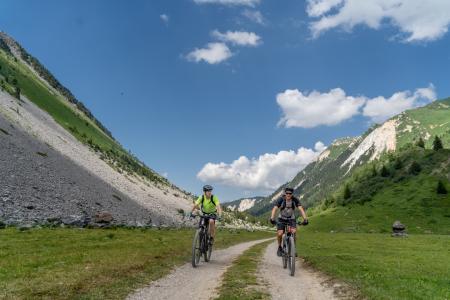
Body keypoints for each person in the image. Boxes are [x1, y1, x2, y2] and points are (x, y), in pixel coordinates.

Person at [270, 187, 308, 257]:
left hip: (291, 219)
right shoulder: (281, 199)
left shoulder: (295, 200)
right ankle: (279, 247)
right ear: (285, 193)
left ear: (292, 194)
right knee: (280, 233)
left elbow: (301, 209)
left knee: (293, 231)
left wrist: (305, 219)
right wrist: (272, 218)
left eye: (290, 193)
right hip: (281, 218)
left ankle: (294, 248)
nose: (288, 195)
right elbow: (275, 208)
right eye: (287, 193)